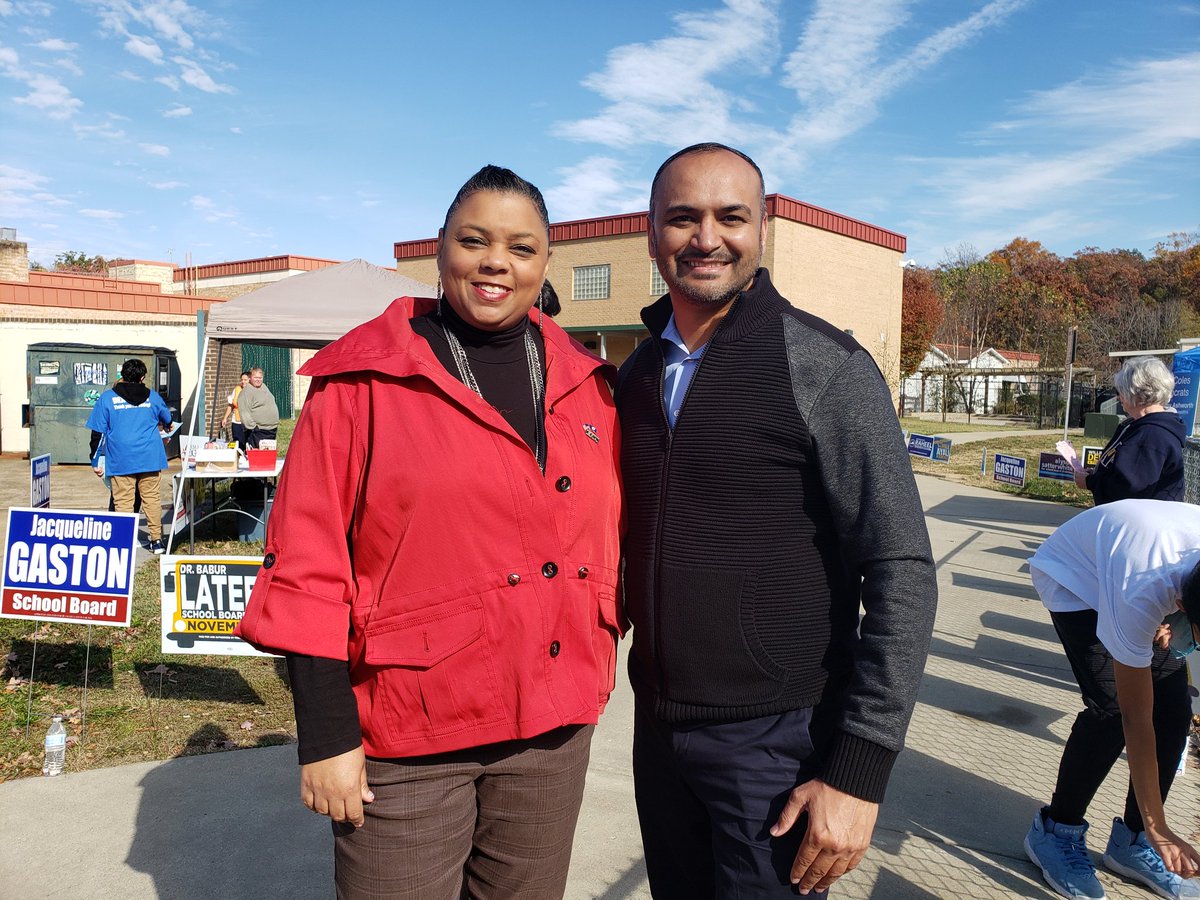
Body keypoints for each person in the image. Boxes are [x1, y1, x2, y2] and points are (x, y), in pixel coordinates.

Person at [235, 165, 624, 900]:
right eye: (474, 241)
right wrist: (327, 734)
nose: (496, 262)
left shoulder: (589, 384)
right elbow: (308, 562)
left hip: (553, 730)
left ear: (545, 263)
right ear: (440, 248)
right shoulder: (363, 381)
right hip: (410, 738)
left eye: (521, 248)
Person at [616, 142, 938, 898]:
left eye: (731, 216)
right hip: (657, 733)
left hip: (778, 744)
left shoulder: (825, 367)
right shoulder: (634, 376)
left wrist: (858, 772)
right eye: (682, 217)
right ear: (651, 233)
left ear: (762, 229)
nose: (707, 238)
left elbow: (902, 570)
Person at [1024, 499, 1200, 900]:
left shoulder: (1174, 585)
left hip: (1135, 561)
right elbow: (1136, 719)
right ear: (1183, 607)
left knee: (1174, 712)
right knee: (1113, 708)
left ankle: (1133, 843)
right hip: (1074, 576)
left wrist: (1173, 619)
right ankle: (1055, 831)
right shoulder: (1141, 594)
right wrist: (1160, 824)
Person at [86, 358, 173, 553]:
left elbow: (98, 433)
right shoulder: (153, 397)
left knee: (123, 501)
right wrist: (167, 426)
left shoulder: (107, 398)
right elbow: (168, 419)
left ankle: (125, 541)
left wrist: (95, 459)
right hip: (150, 457)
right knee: (151, 499)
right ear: (142, 377)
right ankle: (156, 541)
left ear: (123, 375)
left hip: (121, 458)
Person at [1075, 356, 1185, 504]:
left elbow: (1128, 489)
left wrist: (1090, 482)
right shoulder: (1142, 425)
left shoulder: (1151, 435)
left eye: (1121, 391)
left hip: (1138, 516)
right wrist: (1095, 476)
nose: (1118, 397)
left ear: (1137, 393)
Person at [239, 366, 280, 449]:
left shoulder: (263, 386)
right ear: (250, 378)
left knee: (268, 455)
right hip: (258, 431)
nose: (258, 380)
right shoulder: (246, 392)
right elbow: (244, 412)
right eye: (255, 377)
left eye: (260, 378)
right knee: (258, 455)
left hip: (271, 430)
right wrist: (254, 427)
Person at [220, 370, 251, 448]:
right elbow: (231, 405)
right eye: (242, 380)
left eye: (245, 380)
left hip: (249, 422)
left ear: (250, 380)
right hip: (237, 421)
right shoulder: (237, 389)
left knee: (248, 444)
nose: (243, 382)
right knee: (238, 444)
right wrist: (225, 418)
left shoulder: (253, 391)